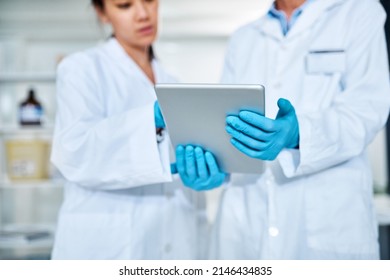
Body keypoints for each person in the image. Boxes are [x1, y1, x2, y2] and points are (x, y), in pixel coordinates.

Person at [206, 0, 390, 259]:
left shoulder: (360, 12)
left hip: (329, 226)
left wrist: (299, 134)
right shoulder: (244, 38)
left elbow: (367, 110)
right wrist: (218, 167)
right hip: (245, 226)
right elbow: (228, 124)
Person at [50, 0, 224, 260]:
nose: (143, 14)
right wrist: (149, 121)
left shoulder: (173, 82)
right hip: (107, 248)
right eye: (125, 5)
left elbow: (178, 167)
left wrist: (204, 176)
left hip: (176, 243)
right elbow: (75, 150)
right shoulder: (81, 69)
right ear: (102, 13)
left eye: (149, 1)